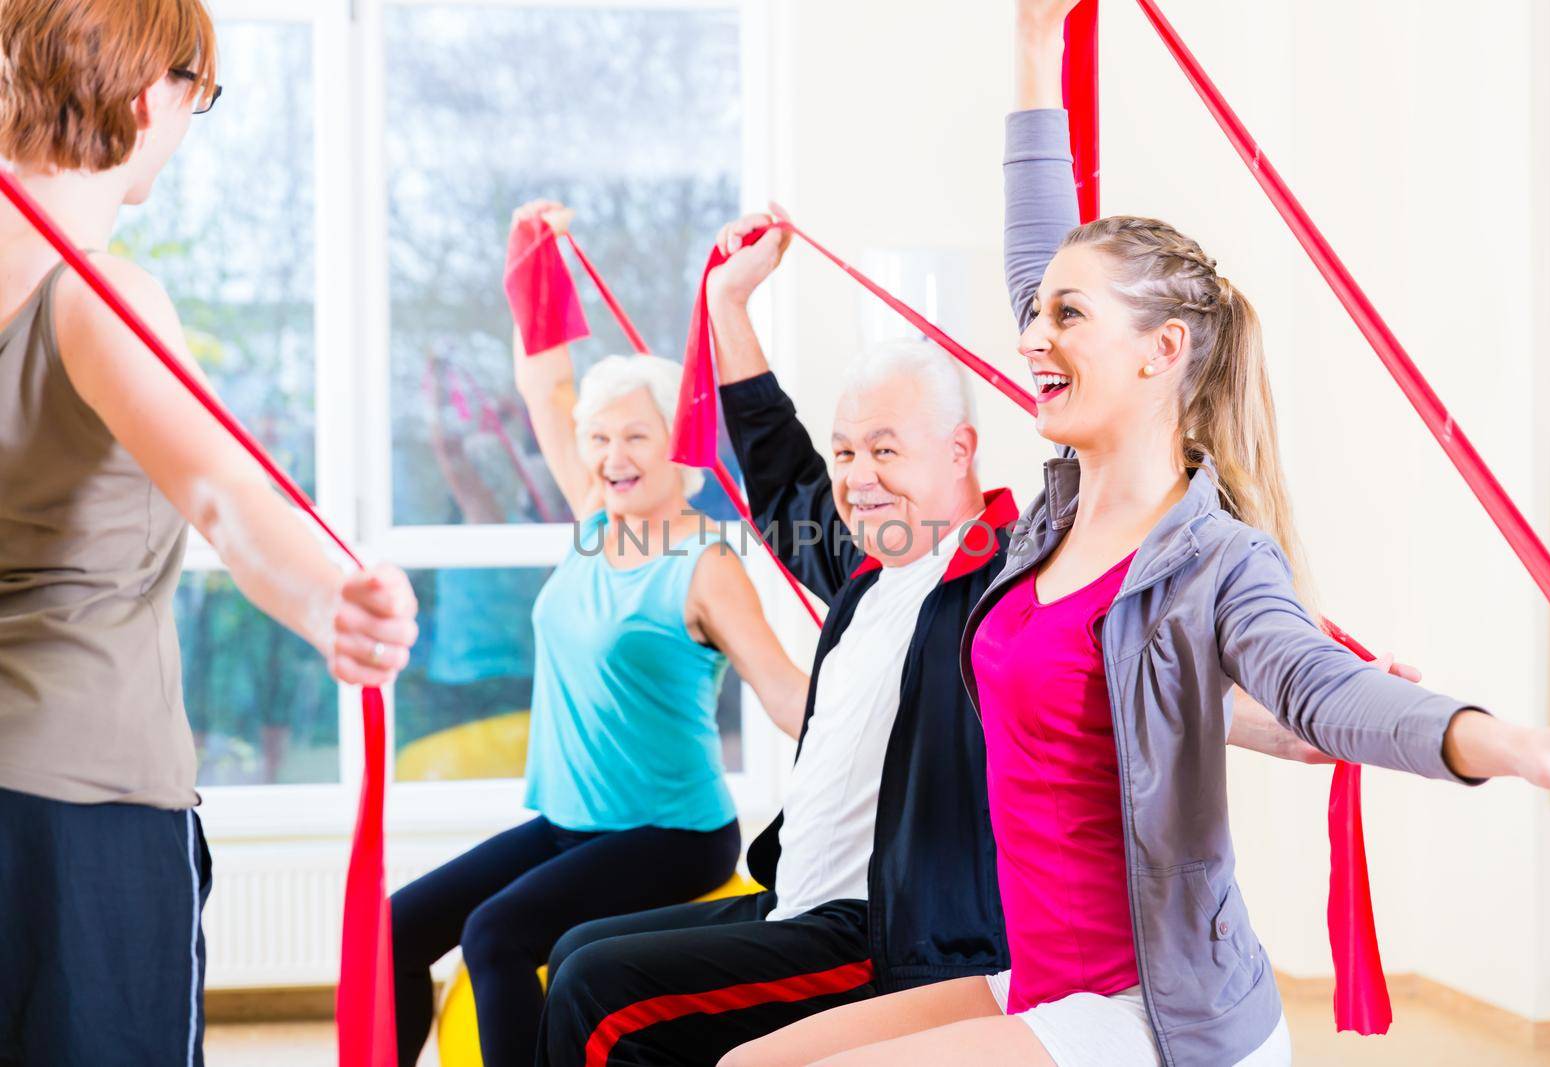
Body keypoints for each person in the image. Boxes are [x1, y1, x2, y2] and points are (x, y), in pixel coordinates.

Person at [720, 3, 1550, 1065]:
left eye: (1065, 318)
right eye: (1035, 313)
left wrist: (1522, 744)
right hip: (1039, 972)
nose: (1032, 333)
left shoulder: (1214, 557)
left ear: (1159, 352)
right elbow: (1041, 243)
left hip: (1149, 1011)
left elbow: (1326, 687)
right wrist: (1037, 44)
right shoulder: (1049, 521)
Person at [533, 205, 1327, 1066]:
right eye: (845, 453)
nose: (857, 477)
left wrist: (1290, 719)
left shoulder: (1002, 584)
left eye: (884, 450)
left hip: (888, 933)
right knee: (576, 951)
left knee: (596, 993)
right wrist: (729, 307)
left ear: (960, 451)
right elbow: (777, 471)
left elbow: (1144, 659)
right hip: (791, 898)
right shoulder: (875, 563)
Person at [0, 2, 420, 1064]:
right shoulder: (95, 294)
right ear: (154, 95)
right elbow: (225, 495)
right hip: (76, 820)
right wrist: (329, 601)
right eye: (203, 98)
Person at [389, 202, 809, 1067]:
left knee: (495, 936)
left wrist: (886, 736)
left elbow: (778, 688)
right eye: (600, 438)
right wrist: (533, 265)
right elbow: (545, 385)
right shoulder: (592, 517)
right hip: (569, 822)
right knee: (396, 924)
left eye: (636, 438)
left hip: (671, 835)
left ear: (682, 449)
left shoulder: (703, 564)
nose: (611, 455)